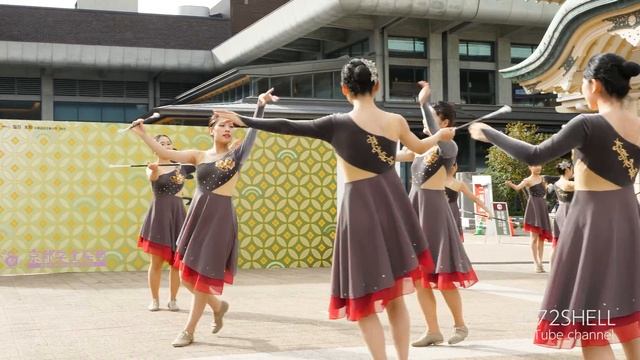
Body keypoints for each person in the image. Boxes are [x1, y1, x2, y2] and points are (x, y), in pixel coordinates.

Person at [214, 58, 455, 360]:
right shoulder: (396, 121)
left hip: (359, 211)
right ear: (376, 86)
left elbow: (287, 126)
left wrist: (245, 119)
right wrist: (439, 136)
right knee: (395, 296)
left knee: (365, 295)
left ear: (344, 89)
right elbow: (421, 148)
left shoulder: (335, 123)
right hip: (393, 207)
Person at [469, 53, 640, 359]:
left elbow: (535, 155)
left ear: (595, 85)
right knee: (628, 309)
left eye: (584, 84)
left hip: (593, 221)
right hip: (629, 219)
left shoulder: (586, 123)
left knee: (591, 319)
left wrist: (489, 133)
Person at [130, 91, 277, 347]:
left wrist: (260, 107)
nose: (228, 129)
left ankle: (188, 330)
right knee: (187, 276)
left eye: (231, 126)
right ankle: (218, 306)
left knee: (201, 277)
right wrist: (143, 134)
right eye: (222, 125)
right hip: (196, 218)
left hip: (220, 220)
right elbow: (167, 153)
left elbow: (253, 134)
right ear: (211, 130)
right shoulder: (199, 156)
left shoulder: (236, 155)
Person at [396, 82, 477, 347]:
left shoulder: (448, 148)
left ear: (445, 123)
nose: (427, 124)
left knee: (443, 277)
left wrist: (423, 103)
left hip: (435, 213)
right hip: (415, 211)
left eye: (433, 118)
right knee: (420, 279)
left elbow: (433, 131)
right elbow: (397, 154)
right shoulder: (424, 148)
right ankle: (433, 330)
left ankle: (460, 325)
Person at [138, 135, 194, 312]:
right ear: (154, 148)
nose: (166, 146)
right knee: (156, 262)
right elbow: (153, 177)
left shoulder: (181, 167)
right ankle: (154, 300)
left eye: (168, 143)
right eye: (161, 144)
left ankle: (173, 299)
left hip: (178, 214)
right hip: (160, 215)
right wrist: (154, 169)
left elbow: (202, 161)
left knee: (176, 263)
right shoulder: (151, 168)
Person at [505, 165, 552, 273]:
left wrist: (548, 187)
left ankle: (541, 262)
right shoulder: (528, 180)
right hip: (534, 207)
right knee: (534, 238)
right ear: (530, 167)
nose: (538, 167)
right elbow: (518, 188)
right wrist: (510, 184)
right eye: (535, 166)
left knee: (541, 238)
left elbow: (545, 192)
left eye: (539, 165)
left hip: (542, 206)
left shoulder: (543, 179)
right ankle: (535, 263)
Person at [444, 162, 493, 241]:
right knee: (452, 240)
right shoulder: (458, 183)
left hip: (437, 210)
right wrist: (488, 211)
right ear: (455, 167)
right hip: (452, 212)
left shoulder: (435, 181)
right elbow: (475, 199)